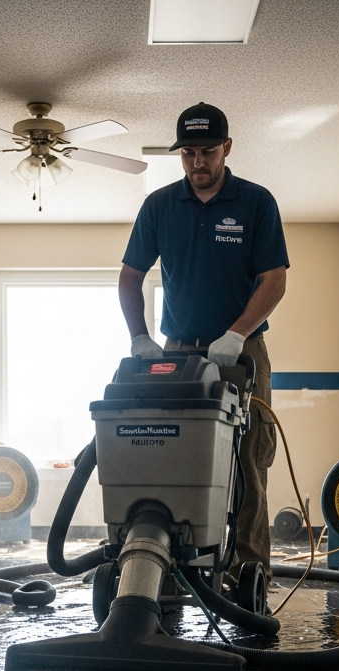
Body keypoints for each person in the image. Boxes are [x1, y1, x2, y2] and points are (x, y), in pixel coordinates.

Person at [118, 102, 289, 574]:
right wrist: (139, 338)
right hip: (178, 355)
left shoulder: (256, 203)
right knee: (171, 456)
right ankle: (166, 569)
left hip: (242, 352)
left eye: (208, 151)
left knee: (249, 464)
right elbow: (130, 277)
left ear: (227, 148)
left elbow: (275, 278)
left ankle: (249, 572)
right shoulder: (159, 206)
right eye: (189, 152)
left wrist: (237, 333)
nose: (198, 162)